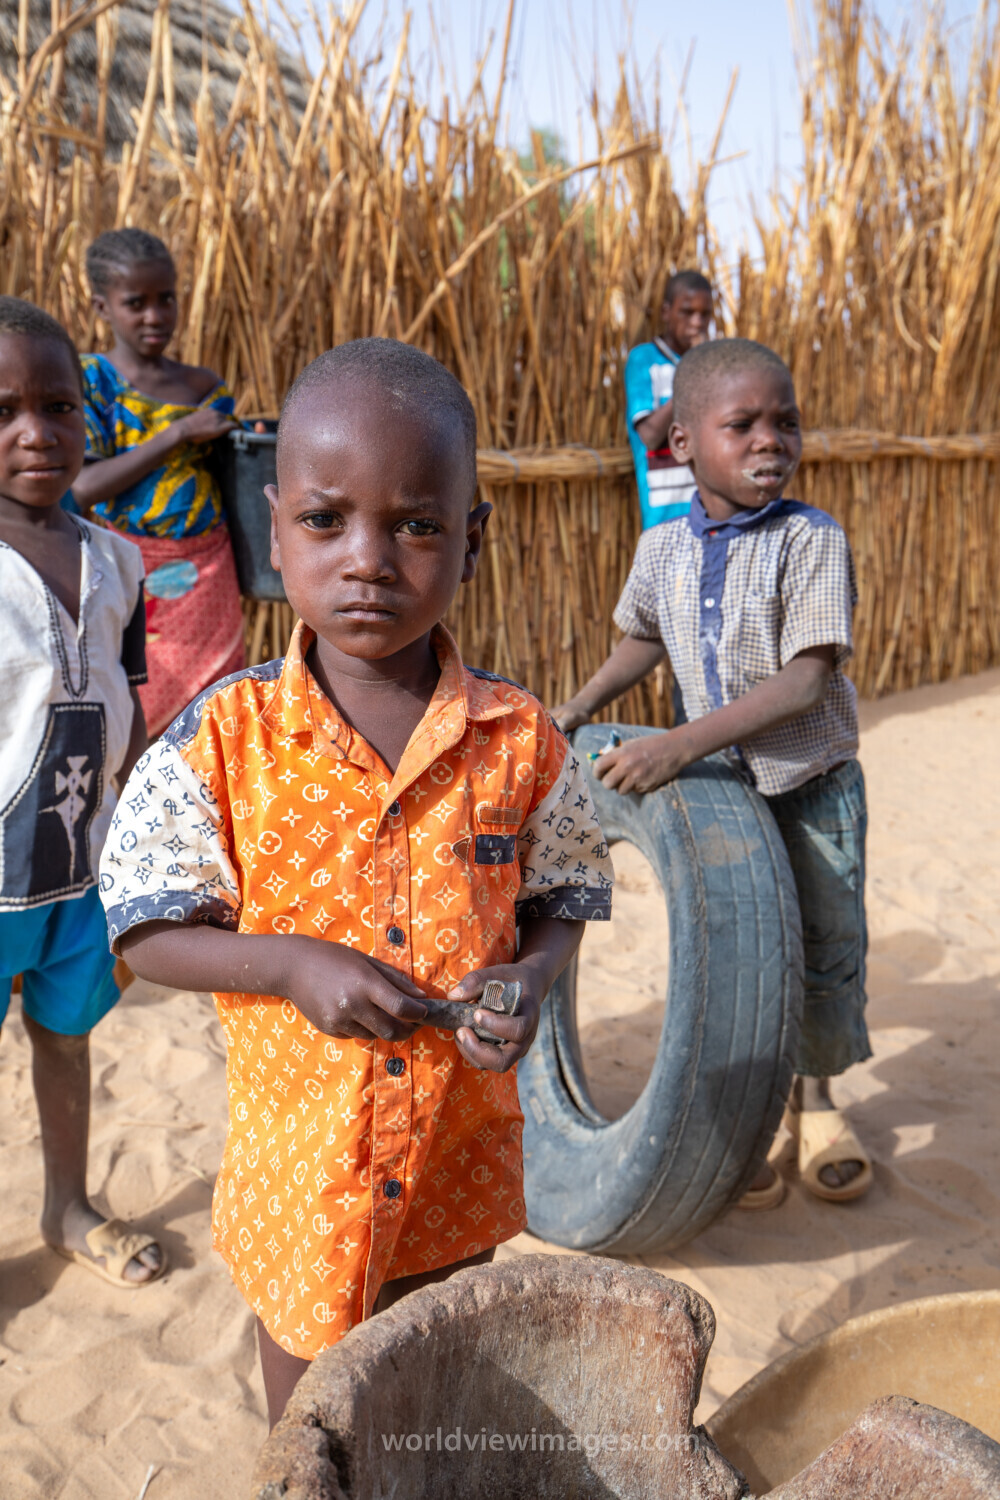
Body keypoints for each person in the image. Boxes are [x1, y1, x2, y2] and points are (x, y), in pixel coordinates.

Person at [98, 338, 614, 1424]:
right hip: (306, 1171)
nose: (368, 559)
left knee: (431, 1387)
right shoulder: (225, 740)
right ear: (275, 528)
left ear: (472, 540)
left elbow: (562, 894)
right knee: (315, 1423)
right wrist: (288, 964)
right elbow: (144, 927)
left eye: (415, 525)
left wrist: (529, 979)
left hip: (452, 1158)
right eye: (326, 520)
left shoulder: (520, 739)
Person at [555, 337, 873, 1211]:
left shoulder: (811, 539)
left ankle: (819, 1104)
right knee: (745, 957)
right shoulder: (662, 548)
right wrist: (578, 705)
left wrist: (678, 745)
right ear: (684, 443)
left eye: (786, 421)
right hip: (725, 800)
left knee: (822, 948)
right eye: (744, 425)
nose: (771, 439)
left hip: (809, 787)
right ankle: (758, 1113)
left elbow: (806, 681)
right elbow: (644, 639)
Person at [0, 296, 165, 1286]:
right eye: (3, 411)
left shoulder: (118, 562)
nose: (35, 432)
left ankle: (67, 1207)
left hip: (82, 870)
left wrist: (135, 827)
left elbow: (125, 700)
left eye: (57, 406)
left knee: (65, 1038)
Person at [71, 228, 244, 738]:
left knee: (214, 714)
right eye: (135, 303)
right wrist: (179, 433)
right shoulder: (92, 382)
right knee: (136, 710)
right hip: (128, 569)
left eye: (165, 299)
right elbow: (84, 487)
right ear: (102, 307)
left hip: (210, 573)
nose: (155, 315)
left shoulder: (205, 388)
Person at [625, 269, 713, 532]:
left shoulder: (715, 364)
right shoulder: (643, 360)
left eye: (705, 314)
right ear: (666, 312)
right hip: (664, 518)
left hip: (713, 514)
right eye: (687, 312)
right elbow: (650, 435)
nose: (697, 322)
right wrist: (694, 371)